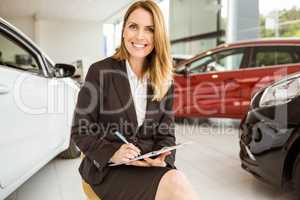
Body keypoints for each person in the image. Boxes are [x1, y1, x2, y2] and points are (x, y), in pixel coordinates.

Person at [71, 0, 198, 199]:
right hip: (109, 168)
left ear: (158, 36)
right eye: (133, 27)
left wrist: (162, 158)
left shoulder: (164, 80)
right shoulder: (100, 71)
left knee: (176, 179)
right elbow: (80, 130)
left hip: (147, 167)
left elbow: (166, 135)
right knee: (176, 186)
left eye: (149, 29)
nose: (140, 36)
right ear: (123, 31)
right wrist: (113, 153)